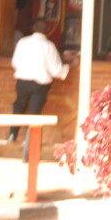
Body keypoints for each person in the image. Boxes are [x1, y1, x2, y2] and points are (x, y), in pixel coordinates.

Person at [9, 19, 70, 149]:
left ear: (33, 27)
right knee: (34, 112)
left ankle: (12, 134)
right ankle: (30, 143)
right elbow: (56, 70)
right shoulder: (49, 46)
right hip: (40, 85)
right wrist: (68, 67)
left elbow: (14, 62)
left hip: (22, 81)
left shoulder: (22, 42)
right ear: (47, 30)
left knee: (19, 107)